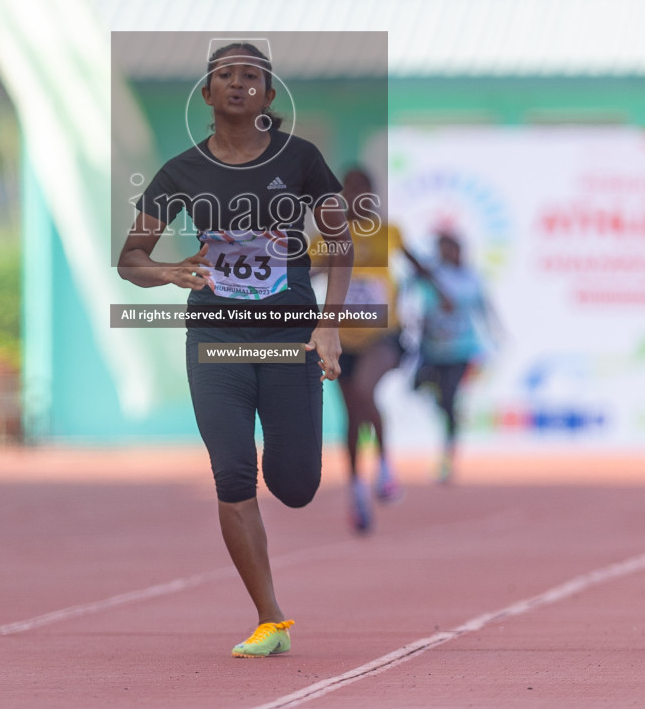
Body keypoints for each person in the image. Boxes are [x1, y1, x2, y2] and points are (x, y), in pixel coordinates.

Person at [119, 41, 351, 658]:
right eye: (226, 75)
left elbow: (342, 243)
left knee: (296, 485)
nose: (239, 84)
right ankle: (270, 618)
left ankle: (293, 458)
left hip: (287, 336)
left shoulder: (300, 159)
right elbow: (130, 259)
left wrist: (328, 326)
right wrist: (169, 271)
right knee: (231, 474)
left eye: (252, 76)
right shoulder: (180, 172)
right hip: (215, 338)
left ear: (270, 96)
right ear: (207, 92)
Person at [315, 167, 404, 533]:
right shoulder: (327, 236)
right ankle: (356, 490)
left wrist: (443, 292)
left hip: (383, 333)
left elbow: (415, 264)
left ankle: (384, 466)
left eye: (362, 189)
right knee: (352, 415)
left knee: (366, 391)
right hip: (340, 338)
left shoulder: (389, 232)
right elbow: (308, 271)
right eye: (349, 189)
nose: (356, 196)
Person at [403, 231, 497, 484]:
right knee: (417, 386)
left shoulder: (471, 278)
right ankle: (445, 407)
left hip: (461, 350)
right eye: (441, 249)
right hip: (432, 349)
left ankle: (448, 455)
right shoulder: (431, 275)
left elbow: (484, 308)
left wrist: (494, 338)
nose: (445, 254)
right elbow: (408, 290)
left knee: (449, 398)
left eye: (449, 248)